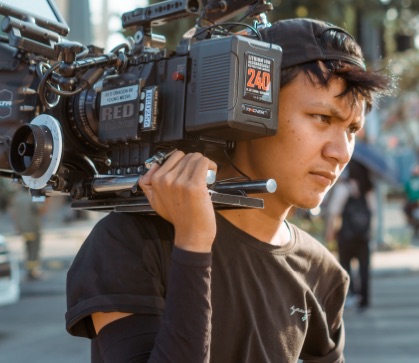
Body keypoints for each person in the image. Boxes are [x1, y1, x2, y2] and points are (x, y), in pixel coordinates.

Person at [65, 18, 392, 362]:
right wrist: (192, 245)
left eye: (352, 128)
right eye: (321, 118)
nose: (340, 152)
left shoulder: (323, 273)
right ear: (252, 112)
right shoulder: (132, 243)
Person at [325, 159, 375, 311]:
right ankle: (364, 299)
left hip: (346, 235)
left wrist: (330, 233)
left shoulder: (344, 187)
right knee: (364, 267)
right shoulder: (368, 188)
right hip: (363, 235)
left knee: (345, 266)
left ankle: (352, 294)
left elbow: (335, 213)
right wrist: (370, 232)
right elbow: (373, 212)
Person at [11, 186, 47, 280]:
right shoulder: (30, 198)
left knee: (28, 249)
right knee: (34, 250)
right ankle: (33, 271)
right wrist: (44, 199)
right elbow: (40, 210)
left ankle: (29, 270)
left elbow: (14, 214)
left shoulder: (17, 197)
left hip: (24, 229)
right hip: (33, 228)